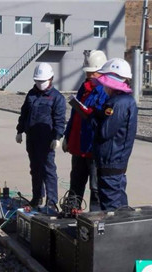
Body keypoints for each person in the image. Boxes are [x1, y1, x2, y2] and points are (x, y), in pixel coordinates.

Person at [62, 50, 108, 211]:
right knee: (76, 183)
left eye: (92, 72)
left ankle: (95, 221)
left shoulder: (106, 90)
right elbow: (75, 114)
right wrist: (67, 137)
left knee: (95, 188)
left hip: (93, 149)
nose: (89, 75)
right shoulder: (84, 87)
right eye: (87, 72)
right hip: (79, 147)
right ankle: (71, 212)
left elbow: (103, 120)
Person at [16, 63, 66, 208]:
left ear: (51, 79)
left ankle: (51, 201)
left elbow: (59, 119)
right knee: (35, 169)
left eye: (42, 81)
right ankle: (37, 197)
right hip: (32, 138)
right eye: (37, 81)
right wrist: (19, 131)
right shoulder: (31, 94)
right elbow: (24, 113)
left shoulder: (57, 98)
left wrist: (57, 137)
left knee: (48, 170)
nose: (40, 84)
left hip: (47, 140)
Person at [92, 58, 138, 211]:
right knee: (119, 203)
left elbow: (106, 131)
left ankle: (115, 234)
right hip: (115, 160)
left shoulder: (118, 103)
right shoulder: (123, 101)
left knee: (110, 206)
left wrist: (93, 118)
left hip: (111, 159)